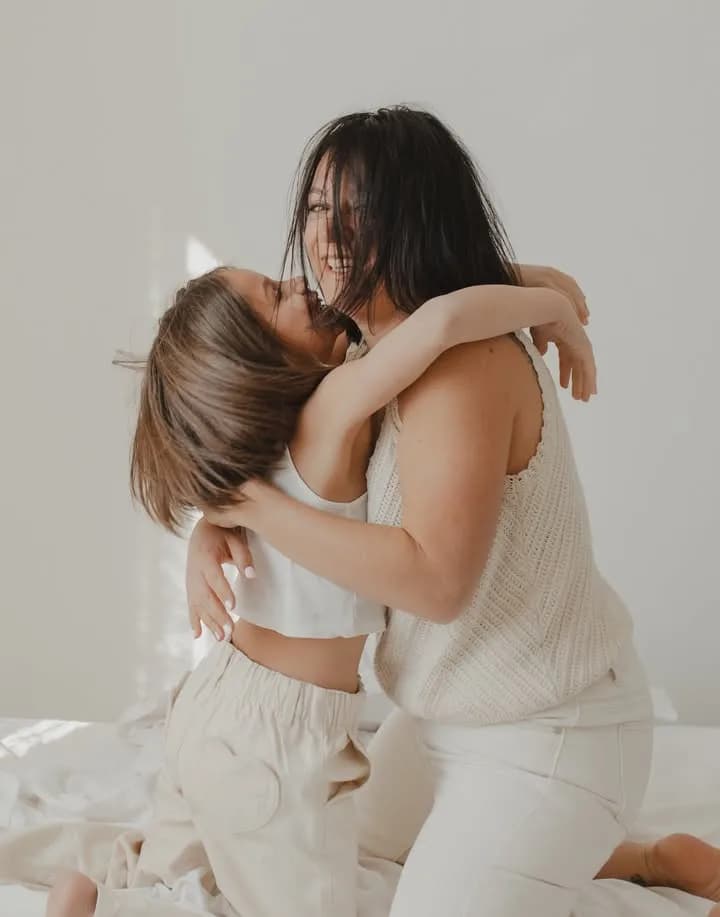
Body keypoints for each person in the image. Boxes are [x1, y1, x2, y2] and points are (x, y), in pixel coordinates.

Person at [191, 106, 720, 917]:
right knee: (352, 866)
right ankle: (637, 860)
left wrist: (253, 508)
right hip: (443, 719)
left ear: (414, 220)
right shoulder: (370, 344)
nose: (329, 235)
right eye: (319, 208)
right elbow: (284, 451)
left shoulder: (459, 368)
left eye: (360, 210)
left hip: (552, 730)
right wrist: (213, 524)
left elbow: (436, 582)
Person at [43, 265, 595, 917]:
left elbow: (408, 307)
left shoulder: (256, 450)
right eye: (276, 297)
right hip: (275, 742)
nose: (298, 282)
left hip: (213, 702)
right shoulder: (333, 406)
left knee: (198, 870)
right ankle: (107, 911)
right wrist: (545, 302)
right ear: (258, 362)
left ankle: (128, 898)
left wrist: (204, 533)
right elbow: (439, 323)